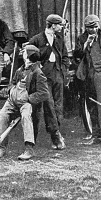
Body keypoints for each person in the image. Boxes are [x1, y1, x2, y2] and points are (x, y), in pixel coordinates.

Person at [0, 45, 50, 160]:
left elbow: (44, 93)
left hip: (26, 103)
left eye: (24, 52)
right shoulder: (21, 69)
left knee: (26, 116)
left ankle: (29, 149)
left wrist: (28, 98)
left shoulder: (37, 73)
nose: (22, 53)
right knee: (2, 115)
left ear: (29, 55)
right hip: (12, 101)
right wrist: (11, 91)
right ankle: (1, 147)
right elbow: (13, 83)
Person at [73, 14, 101, 148]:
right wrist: (86, 44)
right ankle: (96, 136)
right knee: (91, 105)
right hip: (88, 76)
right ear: (85, 27)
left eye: (94, 27)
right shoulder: (81, 38)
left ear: (98, 26)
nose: (92, 30)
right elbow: (77, 56)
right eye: (89, 28)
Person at [29, 14, 69, 149]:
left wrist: (63, 70)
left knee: (58, 105)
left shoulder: (59, 39)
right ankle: (56, 135)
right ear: (53, 25)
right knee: (49, 104)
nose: (61, 27)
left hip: (57, 75)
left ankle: (56, 136)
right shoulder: (37, 39)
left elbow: (65, 56)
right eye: (59, 25)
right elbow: (28, 54)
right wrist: (37, 65)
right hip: (44, 77)